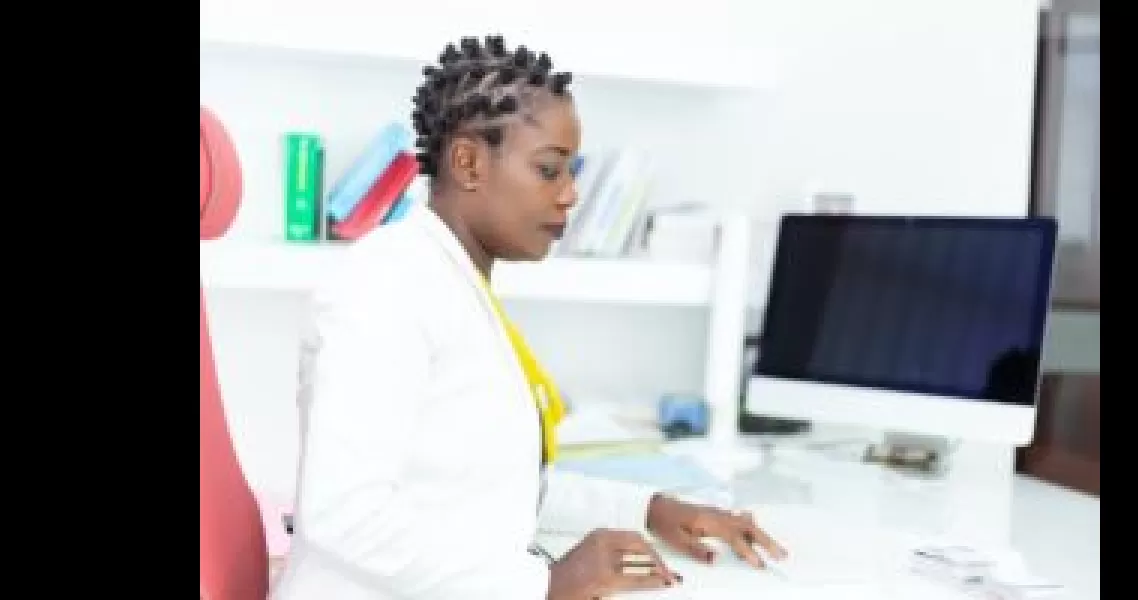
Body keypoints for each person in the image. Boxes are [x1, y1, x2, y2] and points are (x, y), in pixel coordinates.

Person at [272, 34, 787, 600]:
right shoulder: (387, 283)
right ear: (468, 161)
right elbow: (344, 515)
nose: (569, 196)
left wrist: (651, 509)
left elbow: (488, 491)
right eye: (549, 171)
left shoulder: (455, 284)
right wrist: (543, 583)